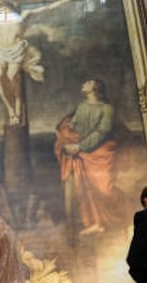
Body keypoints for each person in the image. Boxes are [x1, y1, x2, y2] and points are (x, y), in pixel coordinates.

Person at [54, 78, 126, 239]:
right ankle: (95, 223)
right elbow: (75, 125)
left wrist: (79, 147)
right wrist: (68, 130)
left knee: (104, 188)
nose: (83, 84)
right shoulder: (81, 107)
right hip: (81, 150)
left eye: (87, 83)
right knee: (84, 187)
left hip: (100, 152)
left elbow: (102, 132)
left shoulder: (107, 109)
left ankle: (124, 216)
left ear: (95, 88)